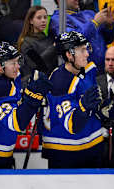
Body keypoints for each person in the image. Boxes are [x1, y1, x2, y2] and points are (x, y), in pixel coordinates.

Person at [41, 31, 104, 168]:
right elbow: (72, 126)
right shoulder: (60, 83)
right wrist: (83, 109)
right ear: (69, 55)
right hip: (65, 149)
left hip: (90, 143)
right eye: (82, 50)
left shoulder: (86, 68)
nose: (87, 54)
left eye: (86, 48)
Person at [49, 0, 114, 73]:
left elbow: (108, 39)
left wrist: (109, 26)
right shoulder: (58, 19)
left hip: (103, 70)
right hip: (81, 74)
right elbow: (71, 41)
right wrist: (94, 23)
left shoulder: (90, 13)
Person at [17, 5, 58, 81]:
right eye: (39, 18)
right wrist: (54, 47)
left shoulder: (48, 39)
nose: (43, 20)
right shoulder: (25, 42)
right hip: (33, 84)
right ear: (31, 21)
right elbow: (36, 64)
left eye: (45, 17)